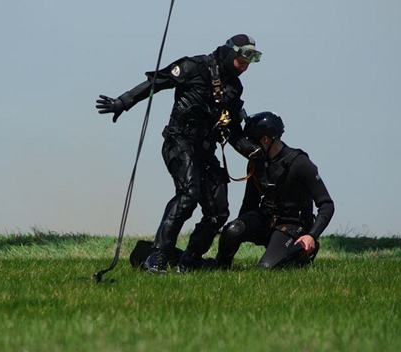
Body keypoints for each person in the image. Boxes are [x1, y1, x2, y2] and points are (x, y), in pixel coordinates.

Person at [96, 34, 263, 274]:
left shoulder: (234, 88)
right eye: (242, 57)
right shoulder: (194, 67)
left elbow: (233, 131)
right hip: (179, 142)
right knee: (189, 195)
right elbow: (157, 82)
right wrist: (123, 102)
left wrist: (254, 152)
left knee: (218, 211)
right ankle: (157, 256)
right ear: (229, 52)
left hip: (206, 151)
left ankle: (190, 261)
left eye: (251, 60)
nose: (245, 65)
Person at [215, 111, 335, 269]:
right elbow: (249, 204)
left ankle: (299, 255)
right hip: (266, 219)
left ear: (265, 139)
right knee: (232, 230)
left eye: (253, 142)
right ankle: (220, 269)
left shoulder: (300, 163)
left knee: (265, 269)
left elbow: (327, 204)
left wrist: (311, 235)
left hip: (291, 225)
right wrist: (238, 230)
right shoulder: (255, 164)